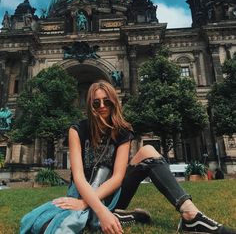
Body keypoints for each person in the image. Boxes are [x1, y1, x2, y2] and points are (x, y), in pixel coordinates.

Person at [21, 80, 236, 234]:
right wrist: (91, 205)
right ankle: (119, 215)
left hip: (112, 192)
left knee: (149, 152)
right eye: (96, 103)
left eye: (107, 101)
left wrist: (92, 207)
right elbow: (78, 176)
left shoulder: (123, 131)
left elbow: (117, 177)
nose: (102, 106)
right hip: (82, 191)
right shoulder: (77, 130)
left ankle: (190, 215)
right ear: (90, 105)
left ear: (114, 102)